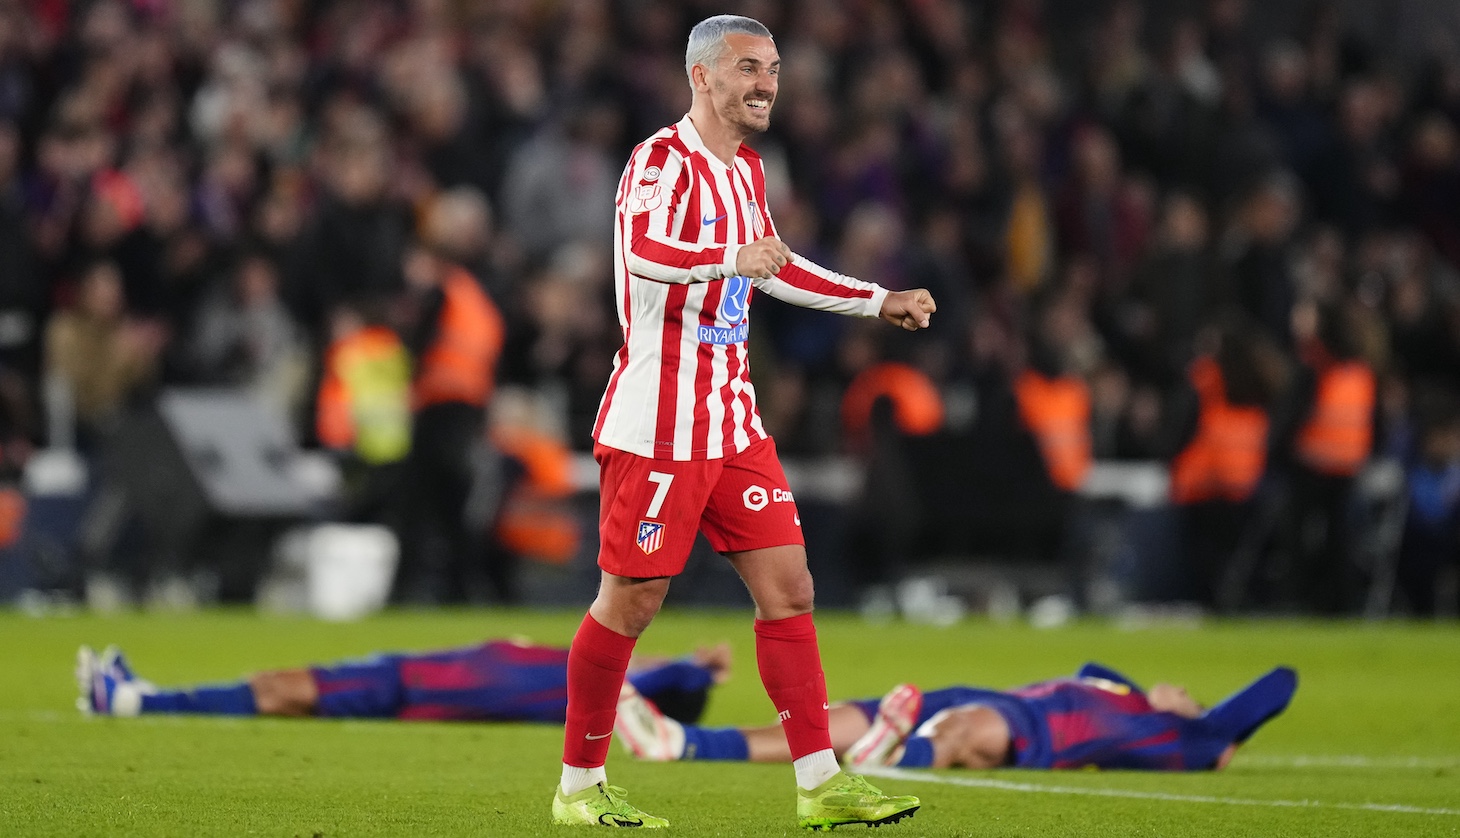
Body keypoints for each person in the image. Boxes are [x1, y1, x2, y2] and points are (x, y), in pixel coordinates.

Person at [553, 14, 936, 831]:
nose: (766, 83)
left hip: (730, 419)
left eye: (772, 68)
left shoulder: (749, 172)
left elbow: (777, 262)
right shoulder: (659, 161)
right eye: (748, 68)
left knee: (789, 587)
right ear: (702, 77)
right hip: (658, 425)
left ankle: (819, 782)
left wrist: (878, 300)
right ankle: (579, 788)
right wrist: (729, 259)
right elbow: (644, 250)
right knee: (630, 602)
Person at [614, 662, 1298, 774]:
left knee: (964, 732)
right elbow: (1098, 665)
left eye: (1189, 693)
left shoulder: (1184, 735)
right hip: (1003, 696)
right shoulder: (1118, 690)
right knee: (836, 718)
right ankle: (683, 741)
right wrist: (1138, 687)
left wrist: (1215, 728)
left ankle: (895, 756)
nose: (1176, 687)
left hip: (1034, 732)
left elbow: (1280, 683)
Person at [75, 641, 728, 727]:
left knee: (280, 688)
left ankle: (133, 701)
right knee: (280, 687)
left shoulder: (611, 686)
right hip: (414, 676)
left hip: (409, 686)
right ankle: (139, 696)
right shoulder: (596, 675)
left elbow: (663, 674)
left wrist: (696, 671)